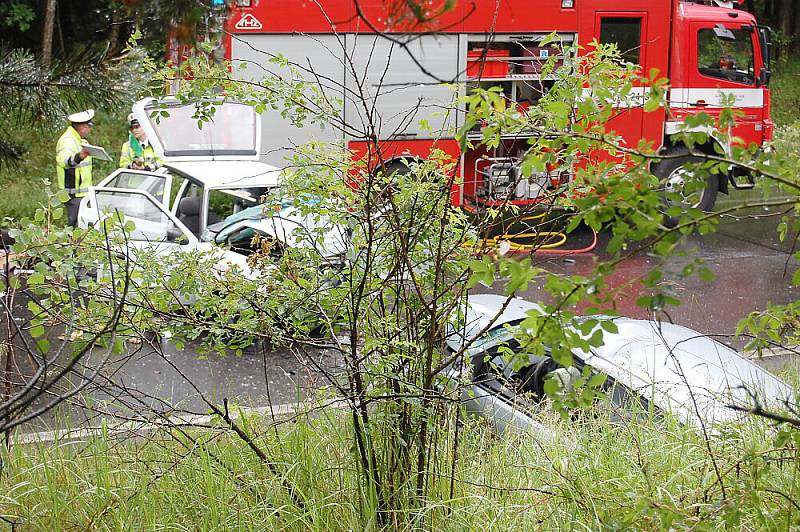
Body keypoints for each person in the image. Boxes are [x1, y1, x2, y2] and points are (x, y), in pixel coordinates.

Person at [55, 109, 94, 227]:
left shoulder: (78, 140)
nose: (90, 129)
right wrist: (79, 157)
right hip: (74, 195)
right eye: (89, 125)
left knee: (83, 226)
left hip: (81, 194)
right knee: (77, 228)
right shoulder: (68, 141)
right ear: (81, 126)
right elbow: (65, 161)